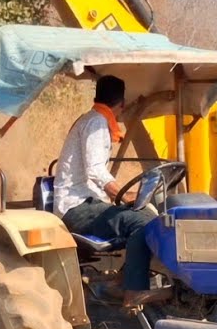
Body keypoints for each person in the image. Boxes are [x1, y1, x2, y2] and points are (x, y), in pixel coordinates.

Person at [52, 75, 170, 305]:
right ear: (121, 104)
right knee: (143, 222)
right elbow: (95, 169)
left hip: (87, 202)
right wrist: (122, 194)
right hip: (76, 206)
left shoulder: (92, 119)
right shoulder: (96, 122)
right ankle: (131, 290)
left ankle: (127, 278)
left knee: (148, 214)